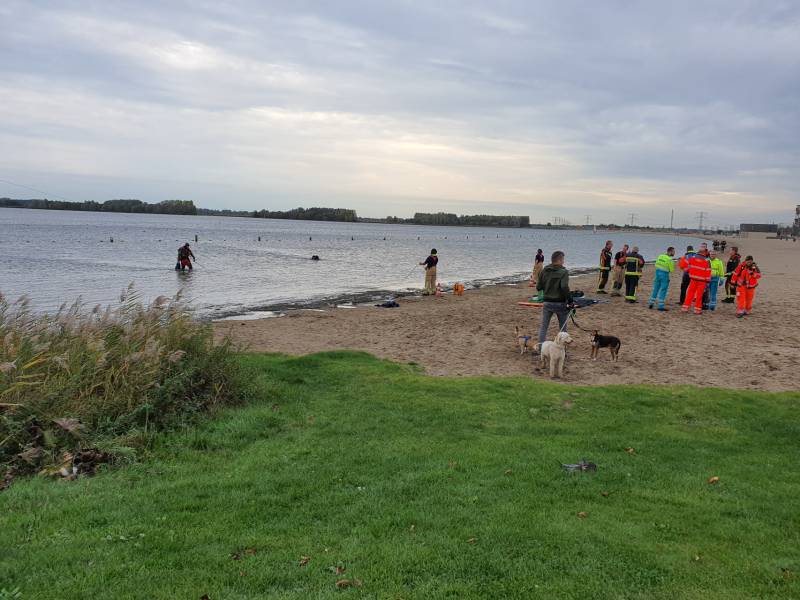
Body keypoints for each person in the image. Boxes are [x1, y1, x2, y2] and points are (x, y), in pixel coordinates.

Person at [536, 250, 572, 347]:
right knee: (563, 328)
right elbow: (564, 287)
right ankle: (562, 349)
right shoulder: (564, 272)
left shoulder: (544, 271)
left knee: (544, 327)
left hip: (547, 302)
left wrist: (547, 287)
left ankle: (540, 348)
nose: (564, 262)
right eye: (563, 259)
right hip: (560, 303)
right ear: (559, 260)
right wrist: (570, 300)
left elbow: (538, 287)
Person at [680, 245, 711, 314]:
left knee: (690, 293)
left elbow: (688, 267)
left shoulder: (693, 257)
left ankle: (685, 308)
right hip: (702, 281)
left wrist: (688, 272)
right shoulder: (707, 260)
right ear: (705, 252)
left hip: (693, 279)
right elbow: (708, 271)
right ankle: (697, 310)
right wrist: (708, 281)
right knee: (699, 295)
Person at [648, 246, 675, 311]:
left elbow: (656, 264)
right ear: (670, 251)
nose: (674, 253)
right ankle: (660, 306)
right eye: (673, 251)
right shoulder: (670, 259)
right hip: (664, 275)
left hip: (657, 273)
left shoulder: (660, 256)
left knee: (656, 289)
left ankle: (651, 303)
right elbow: (671, 270)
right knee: (663, 290)